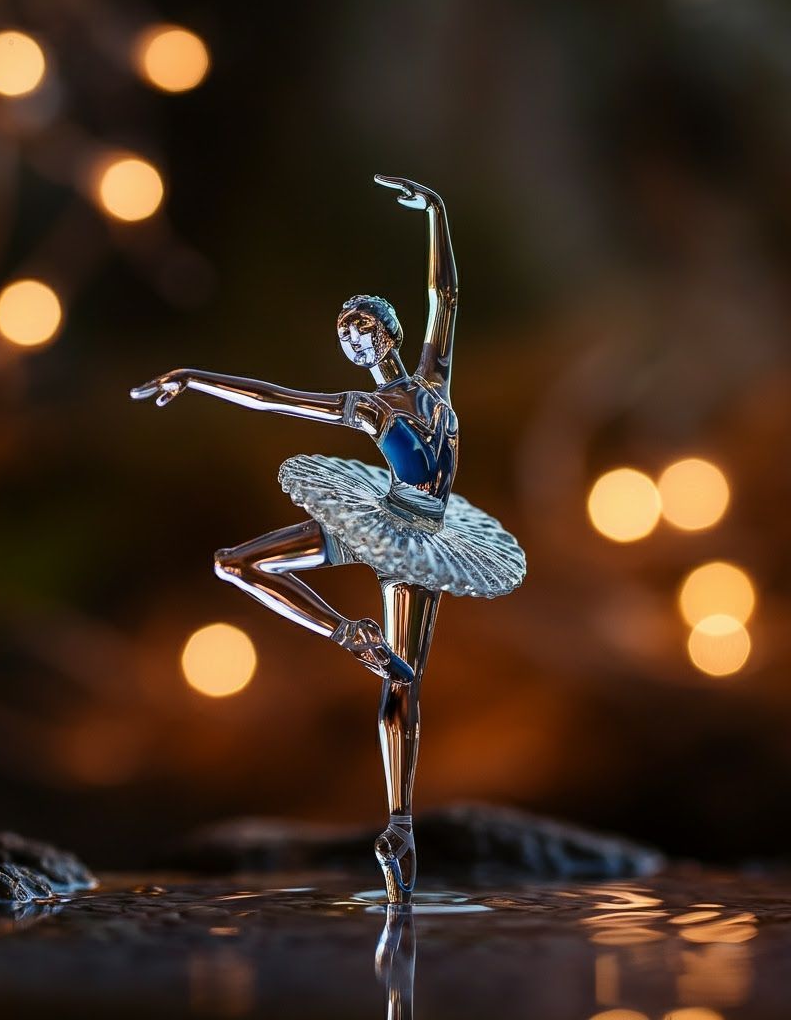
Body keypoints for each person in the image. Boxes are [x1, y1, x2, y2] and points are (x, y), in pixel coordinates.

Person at [132, 175, 525, 903]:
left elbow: (449, 297)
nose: (356, 339)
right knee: (236, 563)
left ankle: (399, 825)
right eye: (347, 336)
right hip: (378, 517)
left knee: (403, 677)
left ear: (390, 330)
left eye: (364, 327)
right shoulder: (367, 407)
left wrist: (437, 212)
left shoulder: (435, 377)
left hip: (425, 541)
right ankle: (347, 629)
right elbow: (273, 397)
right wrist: (193, 377)